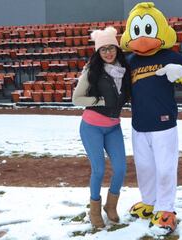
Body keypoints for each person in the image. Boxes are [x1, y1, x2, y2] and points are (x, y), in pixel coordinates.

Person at [120, 2, 182, 234]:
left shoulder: (170, 56)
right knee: (144, 167)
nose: (143, 38)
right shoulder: (130, 61)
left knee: (165, 168)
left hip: (164, 124)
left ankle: (166, 209)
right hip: (139, 125)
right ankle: (149, 203)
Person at [72, 26, 131, 228]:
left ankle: (110, 206)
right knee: (98, 170)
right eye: (103, 49)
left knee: (121, 169)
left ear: (117, 49)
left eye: (111, 48)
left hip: (113, 127)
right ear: (98, 52)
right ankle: (94, 209)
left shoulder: (124, 71)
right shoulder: (92, 70)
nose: (108, 52)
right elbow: (76, 99)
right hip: (92, 127)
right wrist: (99, 101)